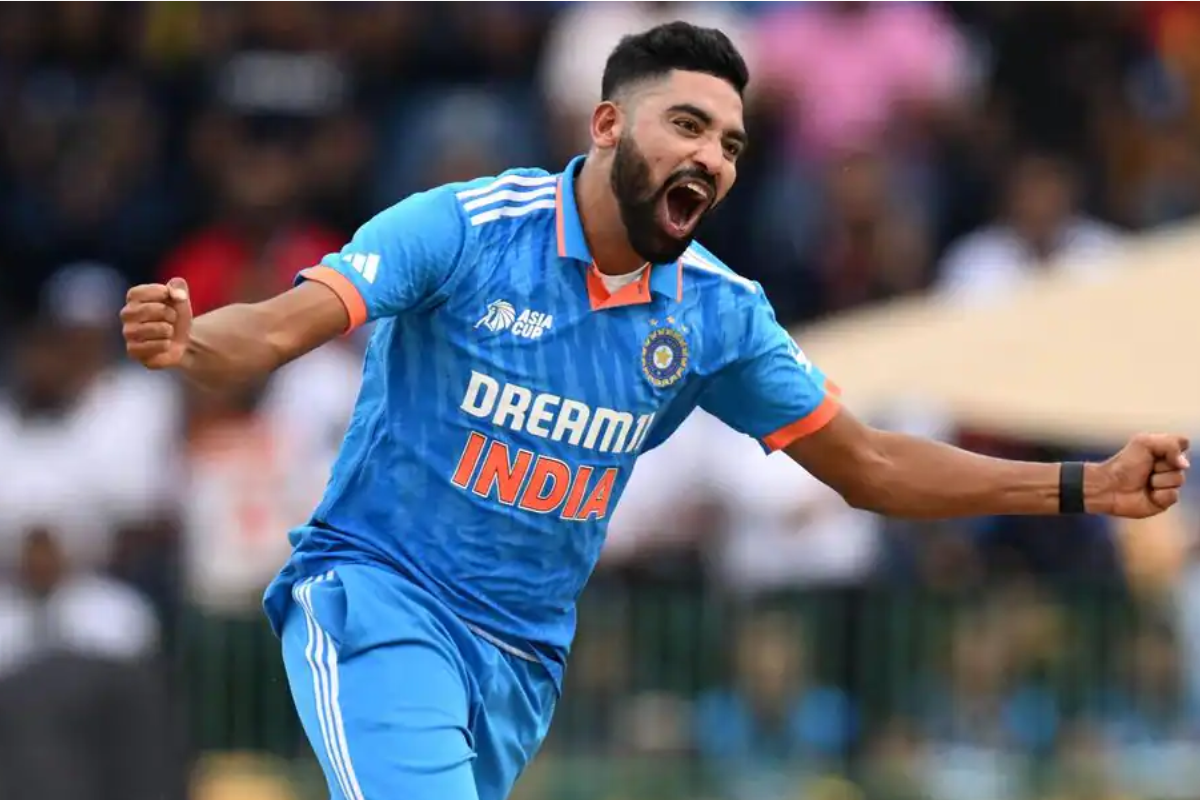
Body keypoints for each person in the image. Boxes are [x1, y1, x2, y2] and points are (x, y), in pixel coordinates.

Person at [119, 22, 1189, 800]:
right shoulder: (466, 227)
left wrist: (1085, 484)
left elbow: (870, 466)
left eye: (730, 144)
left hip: (522, 661)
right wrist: (192, 339)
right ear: (606, 126)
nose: (712, 158)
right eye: (687, 125)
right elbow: (281, 327)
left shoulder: (717, 314)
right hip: (380, 601)